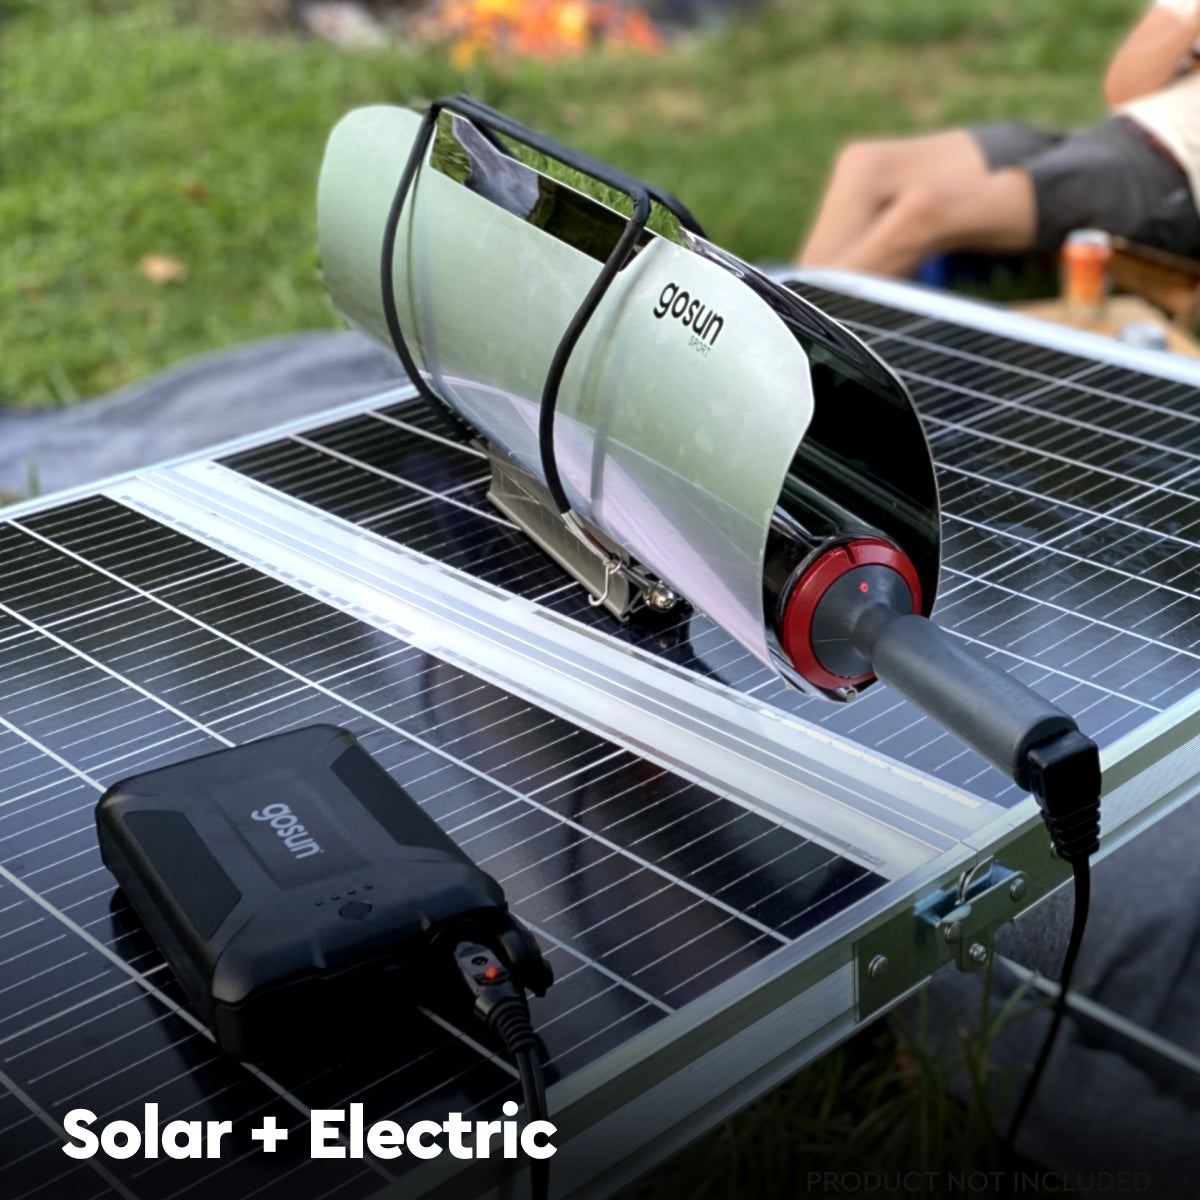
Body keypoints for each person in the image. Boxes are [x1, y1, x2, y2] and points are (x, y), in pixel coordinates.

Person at [796, 0, 1200, 277]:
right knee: (865, 163)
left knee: (922, 210)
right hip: (1107, 135)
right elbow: (1122, 89)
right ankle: (782, 315)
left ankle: (800, 349)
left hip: (1166, 171)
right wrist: (1192, 24)